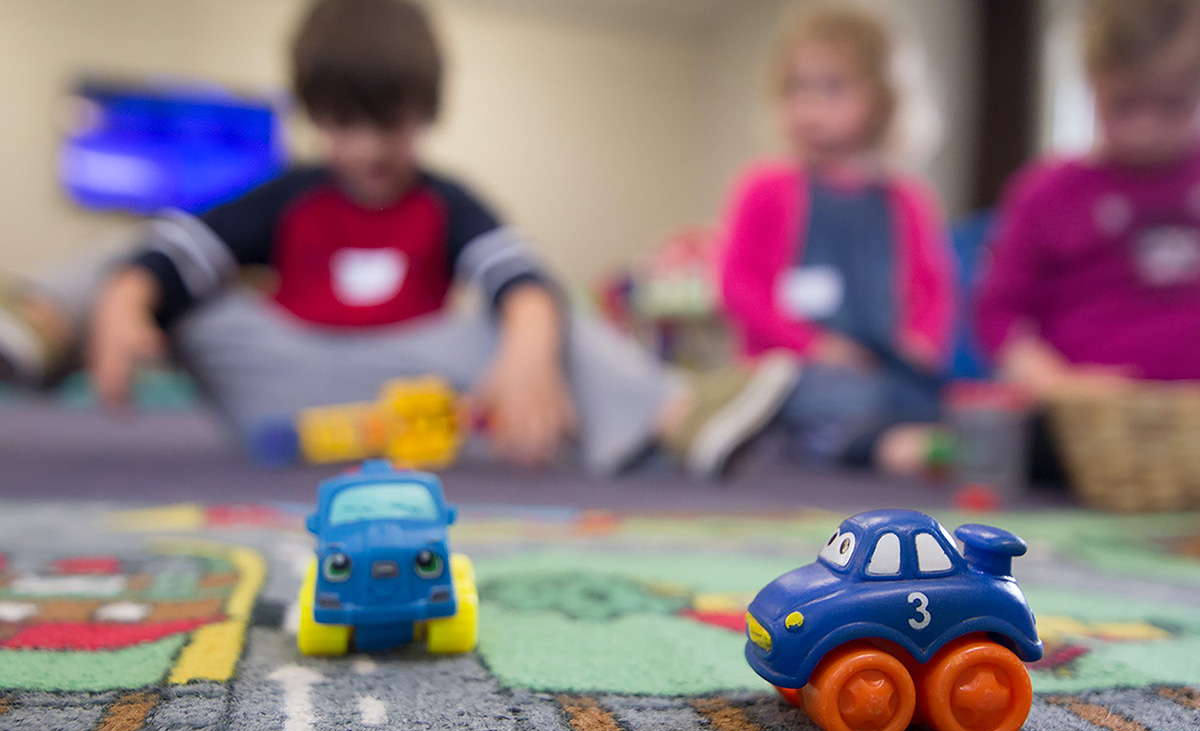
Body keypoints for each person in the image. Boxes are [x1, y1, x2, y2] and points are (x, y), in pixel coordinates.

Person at [0, 0, 798, 478]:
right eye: (345, 125)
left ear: (426, 112)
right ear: (316, 116)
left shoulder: (447, 200)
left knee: (540, 309)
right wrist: (127, 303)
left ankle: (675, 417)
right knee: (140, 257)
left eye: (393, 125)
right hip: (276, 378)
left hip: (402, 388)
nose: (371, 150)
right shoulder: (288, 194)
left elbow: (518, 279)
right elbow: (175, 254)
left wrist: (524, 353)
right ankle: (39, 322)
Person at [716, 1, 955, 476]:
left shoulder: (906, 200)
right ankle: (860, 444)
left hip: (876, 366)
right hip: (791, 369)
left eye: (832, 88)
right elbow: (739, 288)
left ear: (882, 99)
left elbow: (933, 288)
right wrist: (815, 348)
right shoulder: (766, 188)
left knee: (930, 396)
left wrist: (920, 341)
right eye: (797, 87)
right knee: (808, 393)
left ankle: (856, 440)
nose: (809, 104)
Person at [978, 0, 1200, 395]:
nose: (1145, 130)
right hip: (1080, 423)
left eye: (1172, 105)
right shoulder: (1047, 192)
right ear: (1092, 84)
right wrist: (1057, 383)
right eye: (1124, 105)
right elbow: (1000, 315)